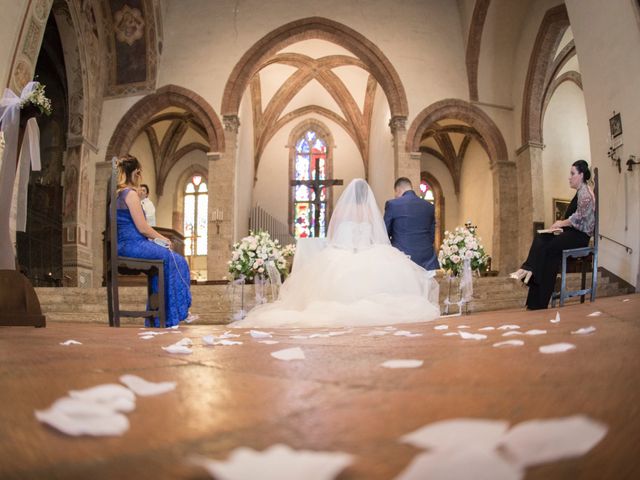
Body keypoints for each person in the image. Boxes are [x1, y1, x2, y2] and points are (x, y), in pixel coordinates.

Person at [232, 179, 440, 328]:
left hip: (341, 253)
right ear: (367, 196)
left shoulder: (341, 211)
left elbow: (333, 236)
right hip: (369, 252)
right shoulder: (371, 212)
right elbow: (379, 236)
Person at [115, 155, 192, 327]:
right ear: (136, 172)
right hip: (133, 245)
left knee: (164, 263)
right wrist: (164, 239)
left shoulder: (118, 194)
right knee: (176, 259)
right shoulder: (131, 194)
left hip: (124, 244)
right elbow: (143, 228)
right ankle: (168, 316)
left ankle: (158, 318)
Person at [510, 160, 595, 310]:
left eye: (572, 173)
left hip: (579, 237)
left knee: (547, 248)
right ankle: (534, 296)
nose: (569, 177)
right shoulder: (580, 192)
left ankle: (530, 275)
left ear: (581, 175)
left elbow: (579, 217)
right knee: (541, 239)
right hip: (571, 234)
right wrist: (559, 227)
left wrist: (560, 223)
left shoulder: (586, 193)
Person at [384, 177, 439, 271]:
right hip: (427, 261)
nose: (396, 196)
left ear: (398, 190)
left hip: (403, 260)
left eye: (396, 194)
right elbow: (431, 236)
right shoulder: (429, 206)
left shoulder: (392, 204)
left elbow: (384, 233)